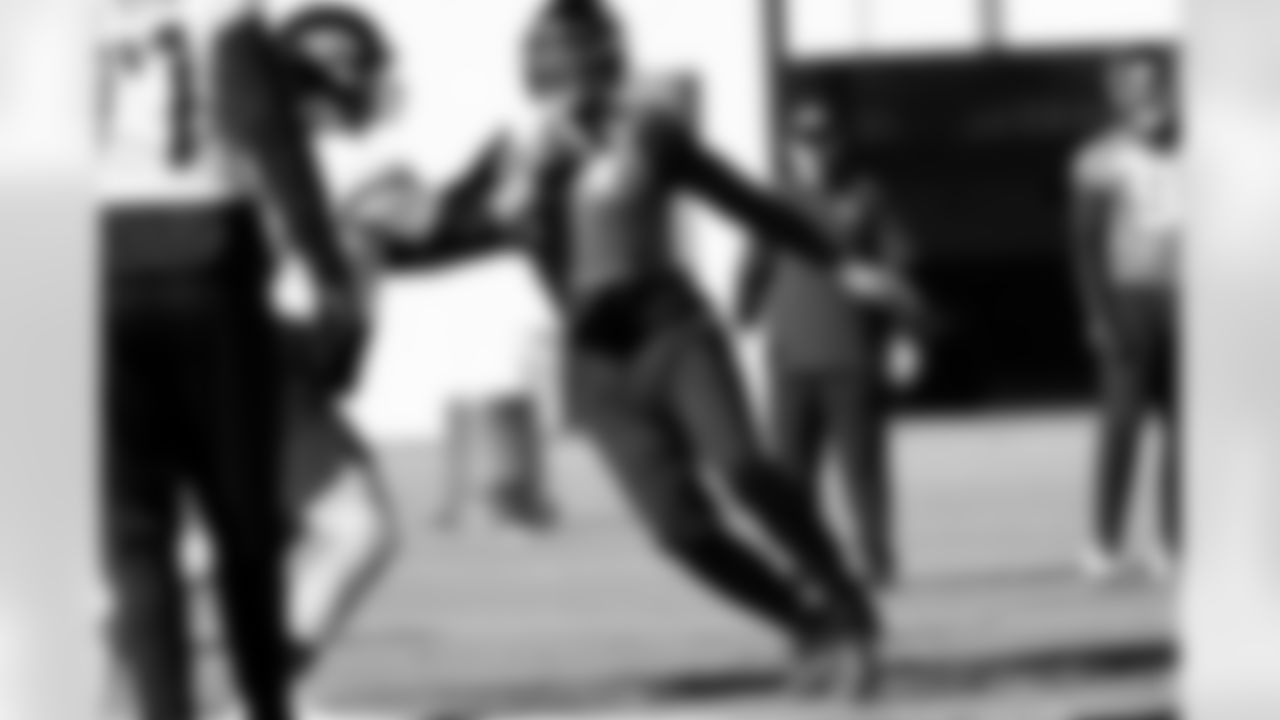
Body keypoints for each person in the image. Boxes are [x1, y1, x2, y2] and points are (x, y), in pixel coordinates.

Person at [350, 0, 919, 698]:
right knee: (678, 530)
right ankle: (805, 624)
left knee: (742, 467)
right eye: (559, 73)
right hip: (596, 362)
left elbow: (745, 200)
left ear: (610, 65)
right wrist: (366, 243)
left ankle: (844, 597)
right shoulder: (512, 157)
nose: (573, 90)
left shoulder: (649, 131)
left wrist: (839, 263)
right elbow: (444, 237)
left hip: (674, 330)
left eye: (586, 67)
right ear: (536, 76)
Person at [99, 0, 363, 717]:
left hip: (91, 265)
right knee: (243, 519)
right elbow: (268, 129)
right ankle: (264, 702)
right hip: (205, 255)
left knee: (134, 535)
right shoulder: (220, 14)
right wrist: (328, 269)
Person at [175, 4, 401, 716]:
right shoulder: (279, 153)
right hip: (254, 358)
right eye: (358, 69)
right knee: (354, 528)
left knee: (227, 539)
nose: (369, 86)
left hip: (228, 353)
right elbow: (285, 269)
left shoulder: (236, 135)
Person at [737, 99, 916, 589]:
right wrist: (742, 319)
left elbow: (898, 266)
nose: (814, 153)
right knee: (791, 468)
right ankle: (803, 558)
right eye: (804, 143)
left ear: (839, 144)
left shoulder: (866, 196)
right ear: (788, 148)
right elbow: (753, 269)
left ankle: (876, 557)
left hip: (852, 353)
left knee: (863, 464)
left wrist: (905, 334)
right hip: (791, 357)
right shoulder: (775, 200)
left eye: (823, 142)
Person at [1070, 51, 1181, 582]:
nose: (1148, 95)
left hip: (1189, 299)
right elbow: (1084, 245)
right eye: (1134, 86)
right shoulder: (1099, 160)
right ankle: (1104, 541)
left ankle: (1174, 541)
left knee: (1186, 428)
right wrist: (1098, 313)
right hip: (1129, 298)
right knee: (1122, 423)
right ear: (1116, 94)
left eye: (1156, 83)